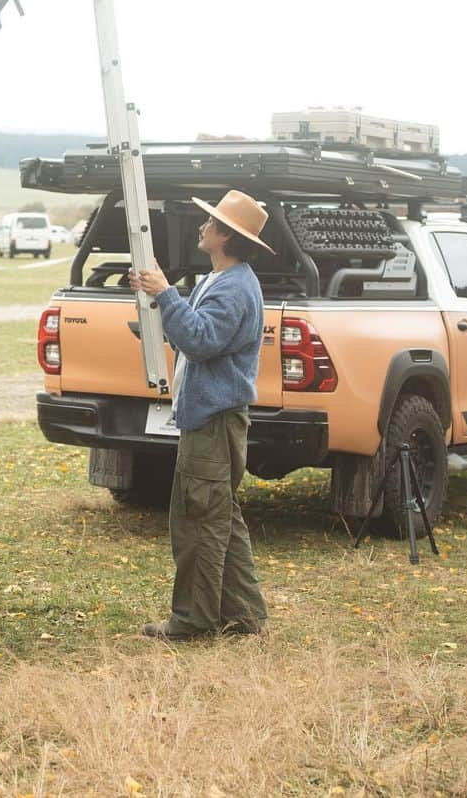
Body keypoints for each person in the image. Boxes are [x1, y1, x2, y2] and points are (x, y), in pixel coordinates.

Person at [128, 190, 272, 642]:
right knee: (219, 517)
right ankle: (244, 616)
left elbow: (203, 339)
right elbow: (196, 328)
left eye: (210, 223)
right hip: (213, 420)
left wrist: (167, 296)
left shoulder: (232, 286)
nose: (202, 227)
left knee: (198, 521)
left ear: (226, 236)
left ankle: (192, 621)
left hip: (212, 423)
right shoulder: (224, 278)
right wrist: (160, 310)